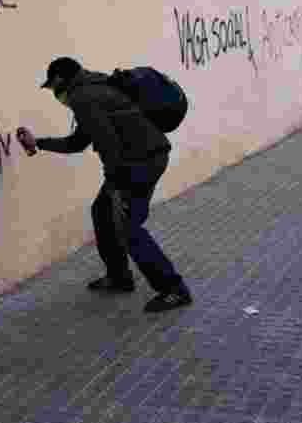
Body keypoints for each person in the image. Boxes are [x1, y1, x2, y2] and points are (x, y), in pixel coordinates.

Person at [16, 57, 192, 313]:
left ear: (59, 81)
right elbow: (78, 142)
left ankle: (173, 289)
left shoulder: (83, 98)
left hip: (141, 162)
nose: (54, 94)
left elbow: (110, 146)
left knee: (128, 227)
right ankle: (119, 276)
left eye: (53, 87)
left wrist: (118, 187)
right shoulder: (95, 86)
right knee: (102, 211)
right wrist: (39, 143)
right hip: (142, 158)